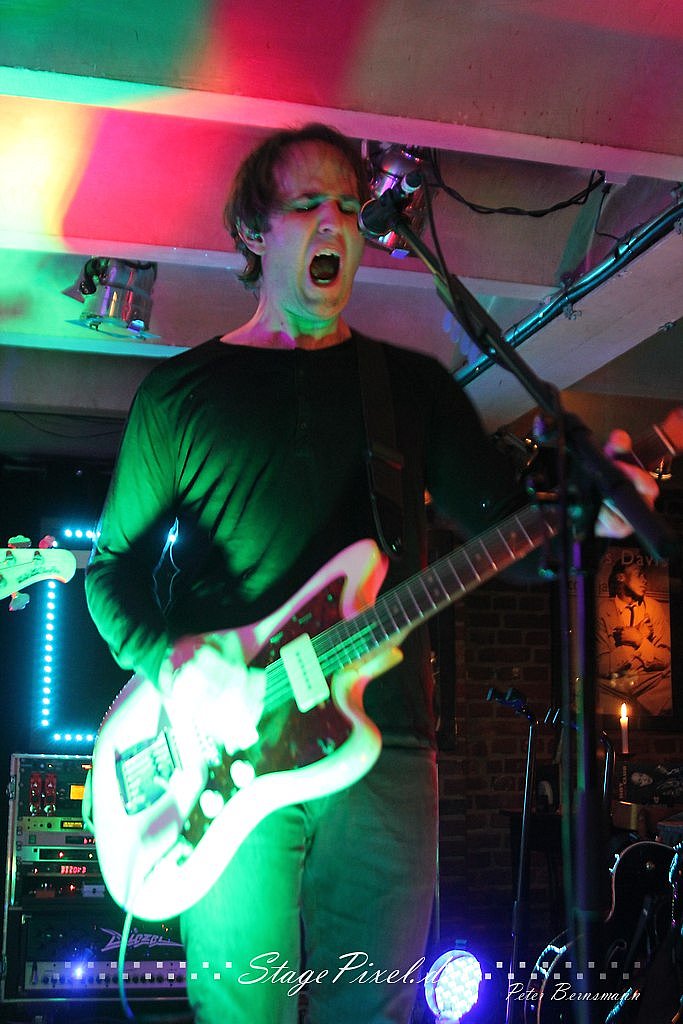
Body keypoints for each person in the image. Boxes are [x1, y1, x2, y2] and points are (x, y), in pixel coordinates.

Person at [84, 123, 659, 1024]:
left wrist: (587, 518)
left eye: (350, 207)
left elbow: (510, 535)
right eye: (307, 205)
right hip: (224, 756)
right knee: (242, 1011)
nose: (336, 223)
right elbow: (110, 572)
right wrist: (175, 660)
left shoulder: (409, 390)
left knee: (373, 1010)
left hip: (381, 743)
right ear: (253, 232)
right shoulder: (180, 395)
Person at [598, 555, 671, 715]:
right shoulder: (602, 611)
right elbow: (602, 666)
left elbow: (665, 658)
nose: (645, 580)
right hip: (614, 686)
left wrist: (639, 640)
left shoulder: (653, 608)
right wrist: (632, 642)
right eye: (639, 574)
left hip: (650, 685)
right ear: (620, 577)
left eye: (645, 576)